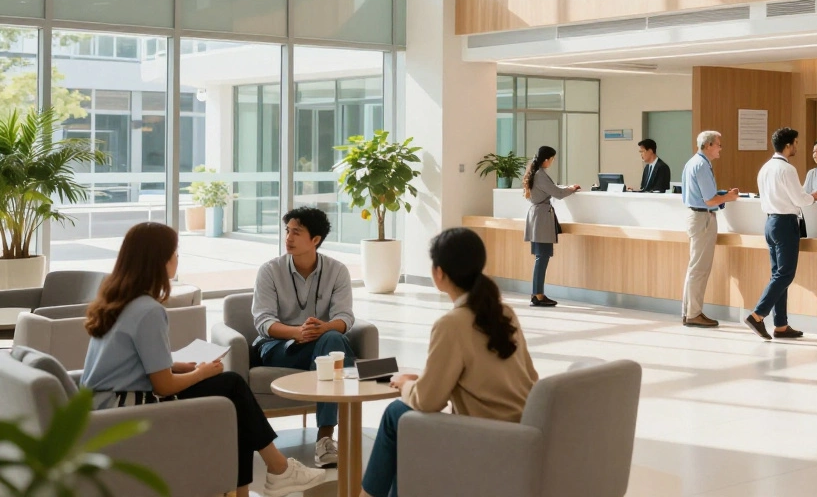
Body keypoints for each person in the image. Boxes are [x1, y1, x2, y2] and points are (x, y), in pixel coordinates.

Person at [82, 222, 326, 497]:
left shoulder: (117, 299)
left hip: (102, 405)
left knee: (232, 397)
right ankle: (278, 470)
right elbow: (163, 386)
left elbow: (127, 361)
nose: (177, 259)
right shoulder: (149, 310)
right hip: (126, 408)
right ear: (159, 261)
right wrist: (201, 373)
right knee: (232, 388)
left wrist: (177, 366)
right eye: (174, 253)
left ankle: (258, 482)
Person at [359, 228, 538, 497]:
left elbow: (428, 402)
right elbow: (527, 378)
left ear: (439, 273)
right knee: (405, 428)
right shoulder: (505, 313)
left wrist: (404, 384)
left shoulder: (451, 324)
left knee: (396, 413)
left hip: (482, 440)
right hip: (519, 435)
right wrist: (426, 381)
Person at [251, 206, 356, 468]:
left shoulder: (337, 271)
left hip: (321, 345)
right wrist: (296, 332)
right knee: (336, 354)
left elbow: (345, 317)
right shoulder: (270, 270)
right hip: (278, 346)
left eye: (296, 232)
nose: (288, 238)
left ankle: (324, 438)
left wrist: (324, 328)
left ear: (315, 239)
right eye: (287, 231)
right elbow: (263, 321)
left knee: (333, 342)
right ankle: (327, 437)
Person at [744, 128, 817, 341]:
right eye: (796, 143)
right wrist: (813, 197)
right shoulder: (787, 169)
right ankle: (757, 315)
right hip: (785, 223)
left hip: (770, 222)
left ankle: (780, 325)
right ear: (788, 145)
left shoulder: (765, 168)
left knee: (778, 274)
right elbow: (799, 199)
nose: (797, 146)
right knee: (785, 274)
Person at [680, 130, 740, 328]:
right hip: (703, 219)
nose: (720, 148)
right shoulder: (702, 166)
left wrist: (722, 194)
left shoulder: (692, 162)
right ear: (708, 145)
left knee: (695, 267)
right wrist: (729, 197)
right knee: (700, 268)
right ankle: (694, 314)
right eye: (718, 144)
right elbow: (709, 200)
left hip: (695, 217)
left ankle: (689, 311)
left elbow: (705, 195)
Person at [523, 145, 581, 307]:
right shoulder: (540, 175)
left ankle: (537, 293)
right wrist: (571, 189)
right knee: (542, 257)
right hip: (541, 218)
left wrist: (567, 188)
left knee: (540, 257)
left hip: (538, 217)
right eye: (552, 159)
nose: (552, 162)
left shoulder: (535, 173)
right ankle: (538, 295)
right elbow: (558, 194)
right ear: (546, 159)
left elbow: (553, 190)